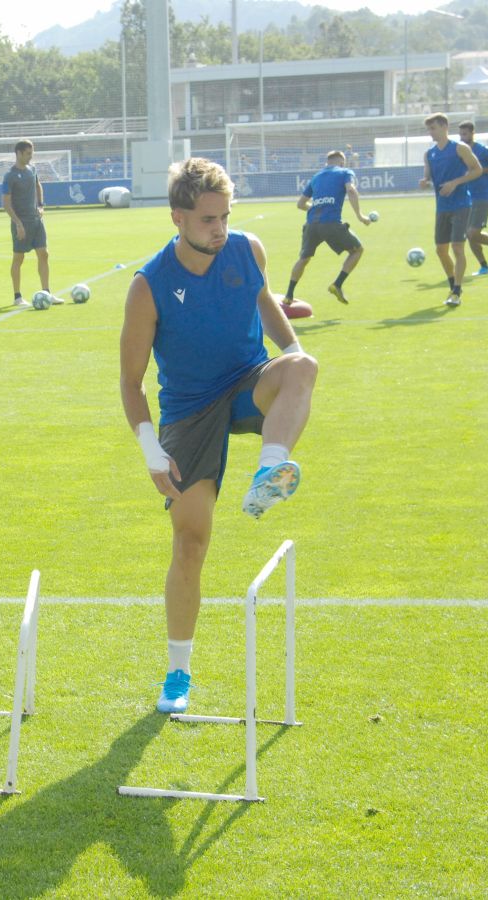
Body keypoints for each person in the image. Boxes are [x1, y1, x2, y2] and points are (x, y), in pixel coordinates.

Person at [118, 158, 317, 716]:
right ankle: (178, 671)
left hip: (248, 381)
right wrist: (150, 449)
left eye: (226, 216)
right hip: (187, 411)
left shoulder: (247, 249)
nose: (220, 229)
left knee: (304, 366)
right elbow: (130, 383)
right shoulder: (149, 286)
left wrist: (293, 353)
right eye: (208, 219)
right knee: (191, 543)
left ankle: (270, 470)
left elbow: (265, 302)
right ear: (177, 217)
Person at [283, 150, 369, 311]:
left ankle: (288, 295)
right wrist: (360, 216)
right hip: (330, 223)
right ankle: (337, 284)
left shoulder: (316, 177)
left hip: (311, 225)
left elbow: (300, 204)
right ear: (342, 162)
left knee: (303, 259)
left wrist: (316, 206)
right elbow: (351, 190)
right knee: (357, 250)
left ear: (327, 162)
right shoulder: (345, 172)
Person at [417, 114, 482, 308]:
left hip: (461, 204)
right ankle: (453, 284)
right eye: (429, 129)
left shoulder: (460, 148)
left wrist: (455, 183)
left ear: (445, 127)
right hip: (442, 207)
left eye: (433, 128)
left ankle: (456, 290)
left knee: (457, 247)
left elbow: (477, 170)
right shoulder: (429, 154)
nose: (431, 133)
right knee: (440, 250)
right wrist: (424, 181)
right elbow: (427, 176)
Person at [2, 139, 50, 308]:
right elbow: (6, 203)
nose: (31, 156)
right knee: (19, 257)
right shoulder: (10, 176)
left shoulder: (32, 170)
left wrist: (41, 205)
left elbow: (38, 185)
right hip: (21, 223)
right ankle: (17, 297)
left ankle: (46, 293)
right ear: (19, 153)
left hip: (37, 221)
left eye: (32, 153)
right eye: (28, 153)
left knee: (44, 254)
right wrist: (18, 223)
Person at [457, 121, 488, 276]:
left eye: (465, 134)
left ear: (472, 133)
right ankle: (484, 266)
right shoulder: (460, 151)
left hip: (482, 195)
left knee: (472, 233)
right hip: (467, 196)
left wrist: (480, 171)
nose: (462, 137)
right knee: (468, 234)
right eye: (460, 134)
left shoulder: (483, 150)